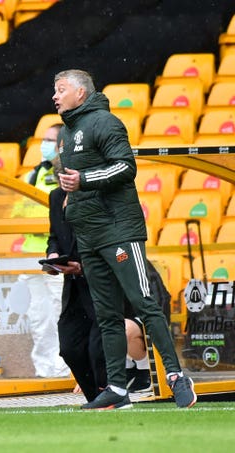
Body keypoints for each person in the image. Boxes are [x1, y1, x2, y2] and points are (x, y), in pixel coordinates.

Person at [53, 69, 196, 409]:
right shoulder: (69, 129)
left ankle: (175, 376)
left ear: (81, 93)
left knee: (144, 303)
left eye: (60, 90)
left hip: (118, 230)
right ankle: (118, 388)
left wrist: (83, 180)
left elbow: (125, 167)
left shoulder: (105, 122)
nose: (55, 97)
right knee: (106, 316)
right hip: (89, 234)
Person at [45, 161, 107, 402]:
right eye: (62, 178)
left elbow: (105, 241)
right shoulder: (55, 197)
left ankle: (107, 393)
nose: (66, 182)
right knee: (69, 346)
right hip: (73, 287)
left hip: (99, 284)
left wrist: (83, 267)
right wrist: (52, 256)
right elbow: (54, 237)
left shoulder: (95, 195)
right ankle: (94, 397)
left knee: (97, 347)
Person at [14, 123, 71, 378]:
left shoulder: (69, 175)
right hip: (30, 254)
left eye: (51, 140)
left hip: (57, 256)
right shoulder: (33, 174)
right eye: (43, 139)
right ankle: (44, 369)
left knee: (61, 312)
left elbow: (59, 214)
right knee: (38, 316)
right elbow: (16, 210)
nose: (44, 145)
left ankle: (65, 367)